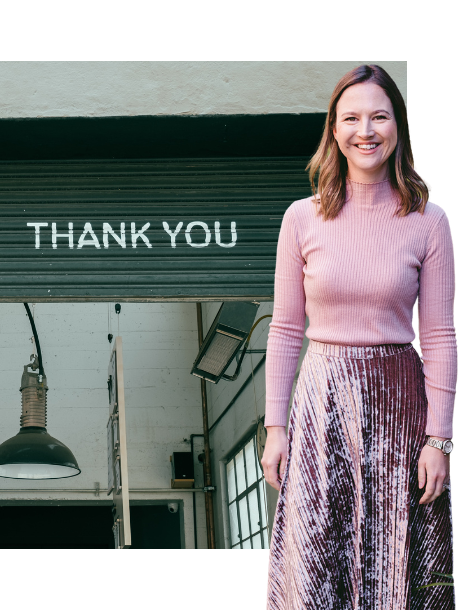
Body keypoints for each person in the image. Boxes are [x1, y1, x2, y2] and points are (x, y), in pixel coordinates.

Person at [261, 64, 455, 609]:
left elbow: (438, 335)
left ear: (398, 126)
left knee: (398, 564)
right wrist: (276, 428)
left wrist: (438, 440)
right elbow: (284, 329)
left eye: (379, 116)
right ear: (334, 130)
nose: (365, 130)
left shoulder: (428, 221)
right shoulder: (301, 218)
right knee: (315, 559)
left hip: (399, 406)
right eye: (351, 118)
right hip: (321, 406)